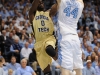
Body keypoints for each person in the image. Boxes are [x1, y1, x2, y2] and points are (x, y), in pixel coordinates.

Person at [29, 0, 57, 74]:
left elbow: (56, 6)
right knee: (46, 71)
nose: (41, 3)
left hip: (49, 38)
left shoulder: (48, 13)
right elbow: (34, 5)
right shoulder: (32, 14)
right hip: (39, 43)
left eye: (42, 2)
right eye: (39, 2)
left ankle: (64, 64)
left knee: (49, 49)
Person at [57, 0, 84, 75]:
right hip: (75, 38)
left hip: (65, 38)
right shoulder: (80, 4)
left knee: (65, 69)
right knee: (78, 68)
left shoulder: (63, 1)